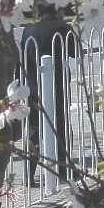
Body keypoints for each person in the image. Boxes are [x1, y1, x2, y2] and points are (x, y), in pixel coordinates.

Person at [17, 14, 77, 185]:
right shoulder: (61, 27)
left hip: (31, 85)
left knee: (33, 130)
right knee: (60, 127)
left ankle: (28, 174)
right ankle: (64, 171)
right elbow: (76, 51)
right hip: (55, 85)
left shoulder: (28, 29)